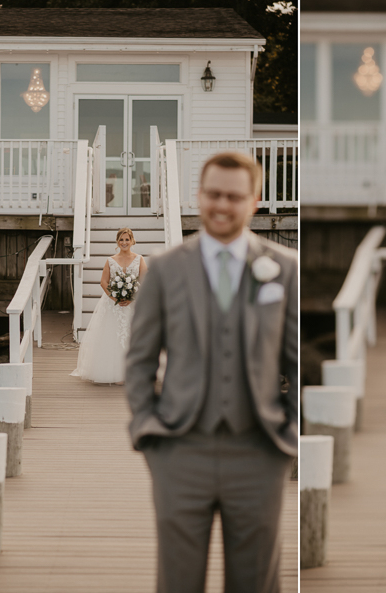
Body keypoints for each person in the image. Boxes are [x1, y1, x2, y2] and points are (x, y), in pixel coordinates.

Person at [125, 152, 297, 593]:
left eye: (234, 196)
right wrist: (148, 430)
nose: (223, 205)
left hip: (259, 451)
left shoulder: (284, 269)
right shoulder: (164, 270)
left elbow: (297, 365)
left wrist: (289, 438)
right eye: (214, 194)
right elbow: (140, 360)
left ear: (254, 201)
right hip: (180, 450)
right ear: (199, 196)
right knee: (178, 582)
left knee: (256, 582)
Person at [71, 227, 148, 384]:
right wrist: (115, 298)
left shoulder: (139, 259)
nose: (124, 242)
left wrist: (133, 298)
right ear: (117, 242)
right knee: (113, 336)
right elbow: (104, 282)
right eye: (121, 239)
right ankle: (115, 373)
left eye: (127, 239)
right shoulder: (110, 260)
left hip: (133, 305)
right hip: (113, 304)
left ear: (132, 241)